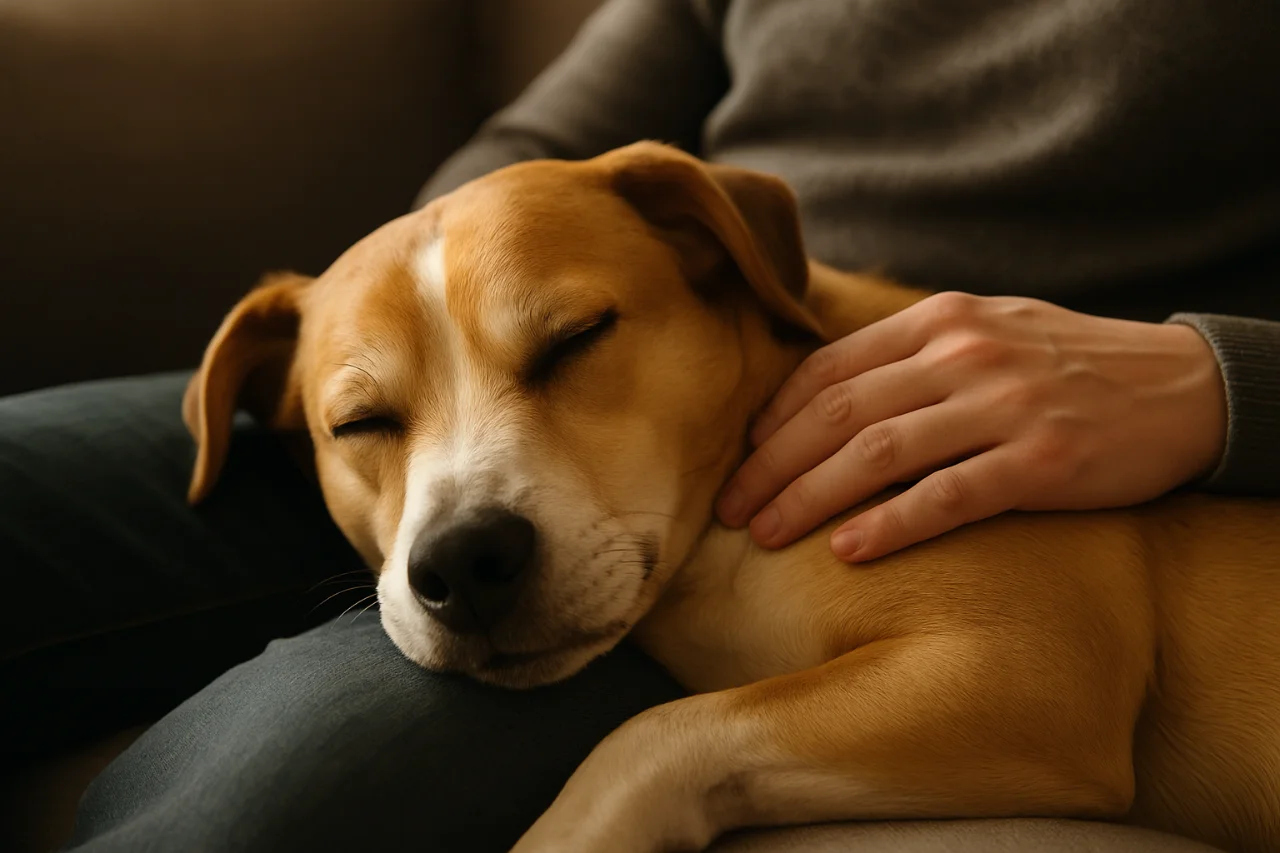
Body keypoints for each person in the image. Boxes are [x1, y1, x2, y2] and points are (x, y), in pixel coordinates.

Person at [4, 1, 1277, 851]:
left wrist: (1219, 379)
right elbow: (531, 150)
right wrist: (409, 327)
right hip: (516, 298)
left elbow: (1032, 700)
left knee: (259, 809)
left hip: (916, 377)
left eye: (563, 348)